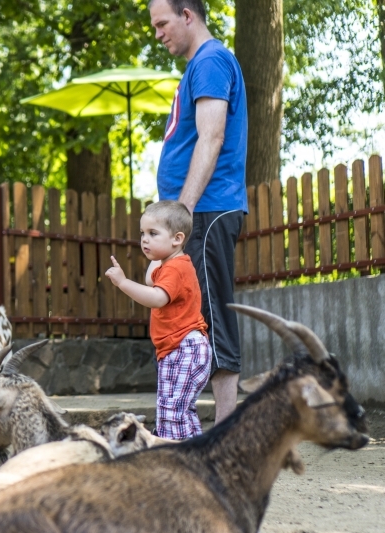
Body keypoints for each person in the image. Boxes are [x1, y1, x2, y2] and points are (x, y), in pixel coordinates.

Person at [150, 0, 248, 424]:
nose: (158, 34)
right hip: (198, 214)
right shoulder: (199, 66)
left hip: (206, 211)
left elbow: (212, 137)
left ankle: (226, 433)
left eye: (162, 24)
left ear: (187, 15)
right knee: (192, 317)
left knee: (211, 318)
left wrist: (182, 214)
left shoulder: (210, 61)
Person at [105, 201, 211, 439]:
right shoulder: (170, 265)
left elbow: (156, 298)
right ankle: (194, 452)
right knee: (175, 410)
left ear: (177, 239)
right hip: (178, 349)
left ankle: (173, 454)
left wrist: (123, 283)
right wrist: (155, 249)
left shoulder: (176, 269)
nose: (144, 239)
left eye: (153, 233)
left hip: (185, 348)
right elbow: (150, 280)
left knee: (173, 411)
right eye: (142, 233)